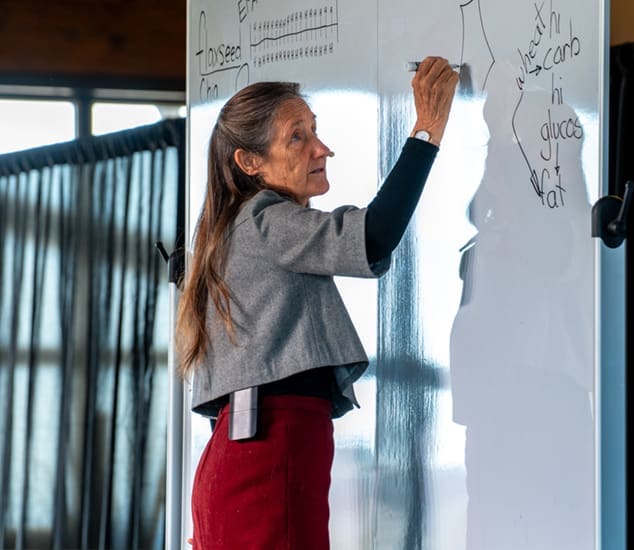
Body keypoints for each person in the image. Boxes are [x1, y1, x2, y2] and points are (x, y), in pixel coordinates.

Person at [176, 56, 459, 549]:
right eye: (297, 137)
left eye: (315, 131)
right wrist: (426, 130)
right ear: (250, 163)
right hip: (269, 457)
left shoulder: (235, 228)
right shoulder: (264, 218)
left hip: (250, 453)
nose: (322, 149)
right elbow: (373, 236)